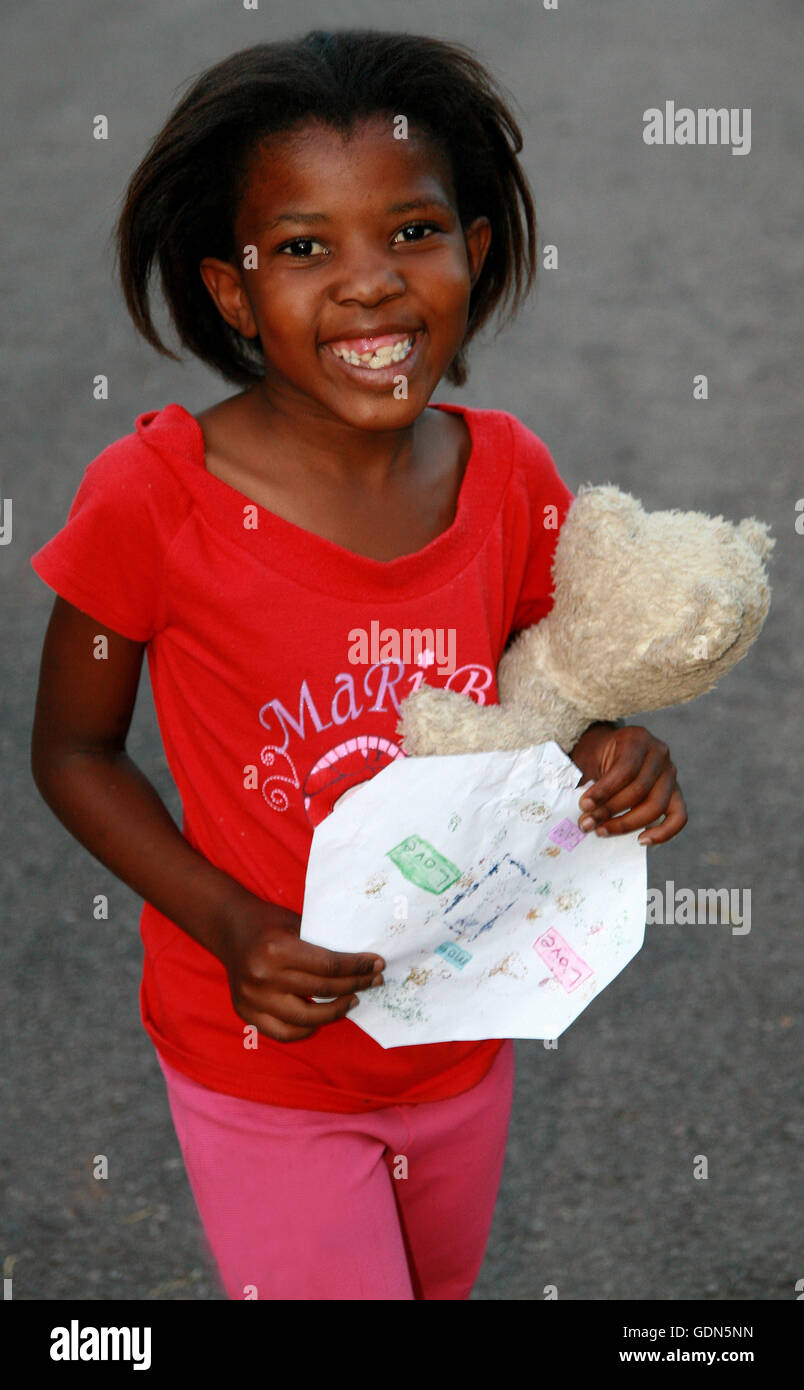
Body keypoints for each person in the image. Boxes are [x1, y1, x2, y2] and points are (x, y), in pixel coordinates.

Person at [29, 30, 687, 1301]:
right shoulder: (153, 497)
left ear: (475, 252)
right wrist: (228, 922)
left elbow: (552, 694)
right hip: (260, 1058)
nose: (371, 286)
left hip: (459, 1040)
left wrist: (615, 753)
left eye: (414, 232)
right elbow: (72, 748)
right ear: (231, 292)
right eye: (304, 248)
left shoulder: (509, 479)